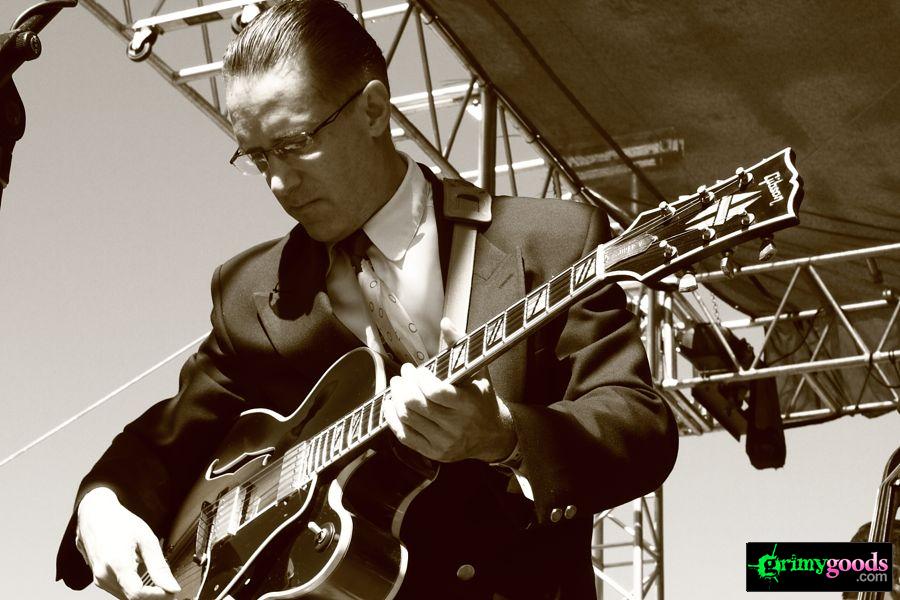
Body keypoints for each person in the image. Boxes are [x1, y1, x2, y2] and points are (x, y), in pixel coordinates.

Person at [56, 1, 679, 598]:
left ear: (375, 110)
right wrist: (102, 507)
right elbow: (168, 441)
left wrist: (504, 436)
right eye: (257, 155)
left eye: (294, 143)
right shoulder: (249, 292)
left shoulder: (550, 240)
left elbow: (640, 425)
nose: (278, 182)